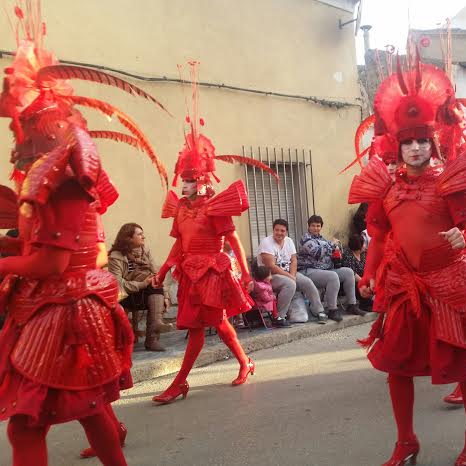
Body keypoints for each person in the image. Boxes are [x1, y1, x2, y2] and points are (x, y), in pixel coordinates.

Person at [347, 55, 466, 466]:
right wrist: (368, 273)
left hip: (451, 284)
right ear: (396, 147)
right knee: (397, 367)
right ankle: (406, 440)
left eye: (422, 141)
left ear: (432, 143)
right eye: (407, 142)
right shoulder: (385, 188)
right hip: (405, 285)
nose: (415, 147)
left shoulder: (451, 182)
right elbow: (379, 236)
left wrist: (463, 236)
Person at [0, 5, 170, 464]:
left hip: (64, 310)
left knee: (30, 422)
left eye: (23, 125)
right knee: (87, 409)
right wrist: (15, 246)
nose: (18, 136)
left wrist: (4, 262)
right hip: (55, 304)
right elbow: (64, 249)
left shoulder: (65, 178)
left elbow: (54, 262)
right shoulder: (47, 175)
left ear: (44, 126)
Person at [151, 62, 276, 404]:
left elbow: (233, 240)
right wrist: (163, 270)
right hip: (189, 271)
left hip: (212, 272)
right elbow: (178, 243)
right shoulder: (181, 208)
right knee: (218, 325)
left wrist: (247, 274)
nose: (185, 184)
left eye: (190, 179)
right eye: (183, 179)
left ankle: (179, 382)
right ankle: (246, 362)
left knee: (197, 329)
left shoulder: (214, 206)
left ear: (203, 178)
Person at [108, 223, 173, 351]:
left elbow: (157, 275)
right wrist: (143, 283)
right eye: (139, 234)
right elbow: (118, 284)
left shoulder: (145, 252)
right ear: (128, 238)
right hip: (126, 296)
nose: (144, 237)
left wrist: (166, 296)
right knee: (152, 285)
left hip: (146, 293)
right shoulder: (116, 256)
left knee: (154, 284)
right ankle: (153, 336)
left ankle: (154, 332)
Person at [257, 219, 327, 325]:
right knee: (290, 284)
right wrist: (290, 277)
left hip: (288, 273)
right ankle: (279, 317)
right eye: (277, 230)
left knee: (307, 282)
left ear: (286, 232)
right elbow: (271, 266)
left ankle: (319, 311)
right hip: (269, 277)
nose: (279, 233)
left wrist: (292, 275)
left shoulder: (289, 241)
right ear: (273, 230)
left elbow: (294, 260)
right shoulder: (266, 242)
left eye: (282, 231)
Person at [298, 215, 366, 322]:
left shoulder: (322, 239)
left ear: (321, 227)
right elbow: (318, 252)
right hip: (309, 270)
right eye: (313, 226)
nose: (315, 228)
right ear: (309, 226)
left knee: (348, 272)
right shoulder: (306, 239)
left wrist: (336, 251)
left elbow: (329, 252)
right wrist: (331, 244)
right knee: (332, 276)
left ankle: (352, 305)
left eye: (318, 226)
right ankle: (332, 309)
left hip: (326, 269)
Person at [342, 233, 373, 310]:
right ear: (359, 246)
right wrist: (364, 282)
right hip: (353, 281)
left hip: (363, 279)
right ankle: (364, 304)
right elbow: (352, 273)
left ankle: (370, 302)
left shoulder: (363, 254)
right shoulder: (348, 255)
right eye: (363, 244)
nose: (365, 246)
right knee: (359, 285)